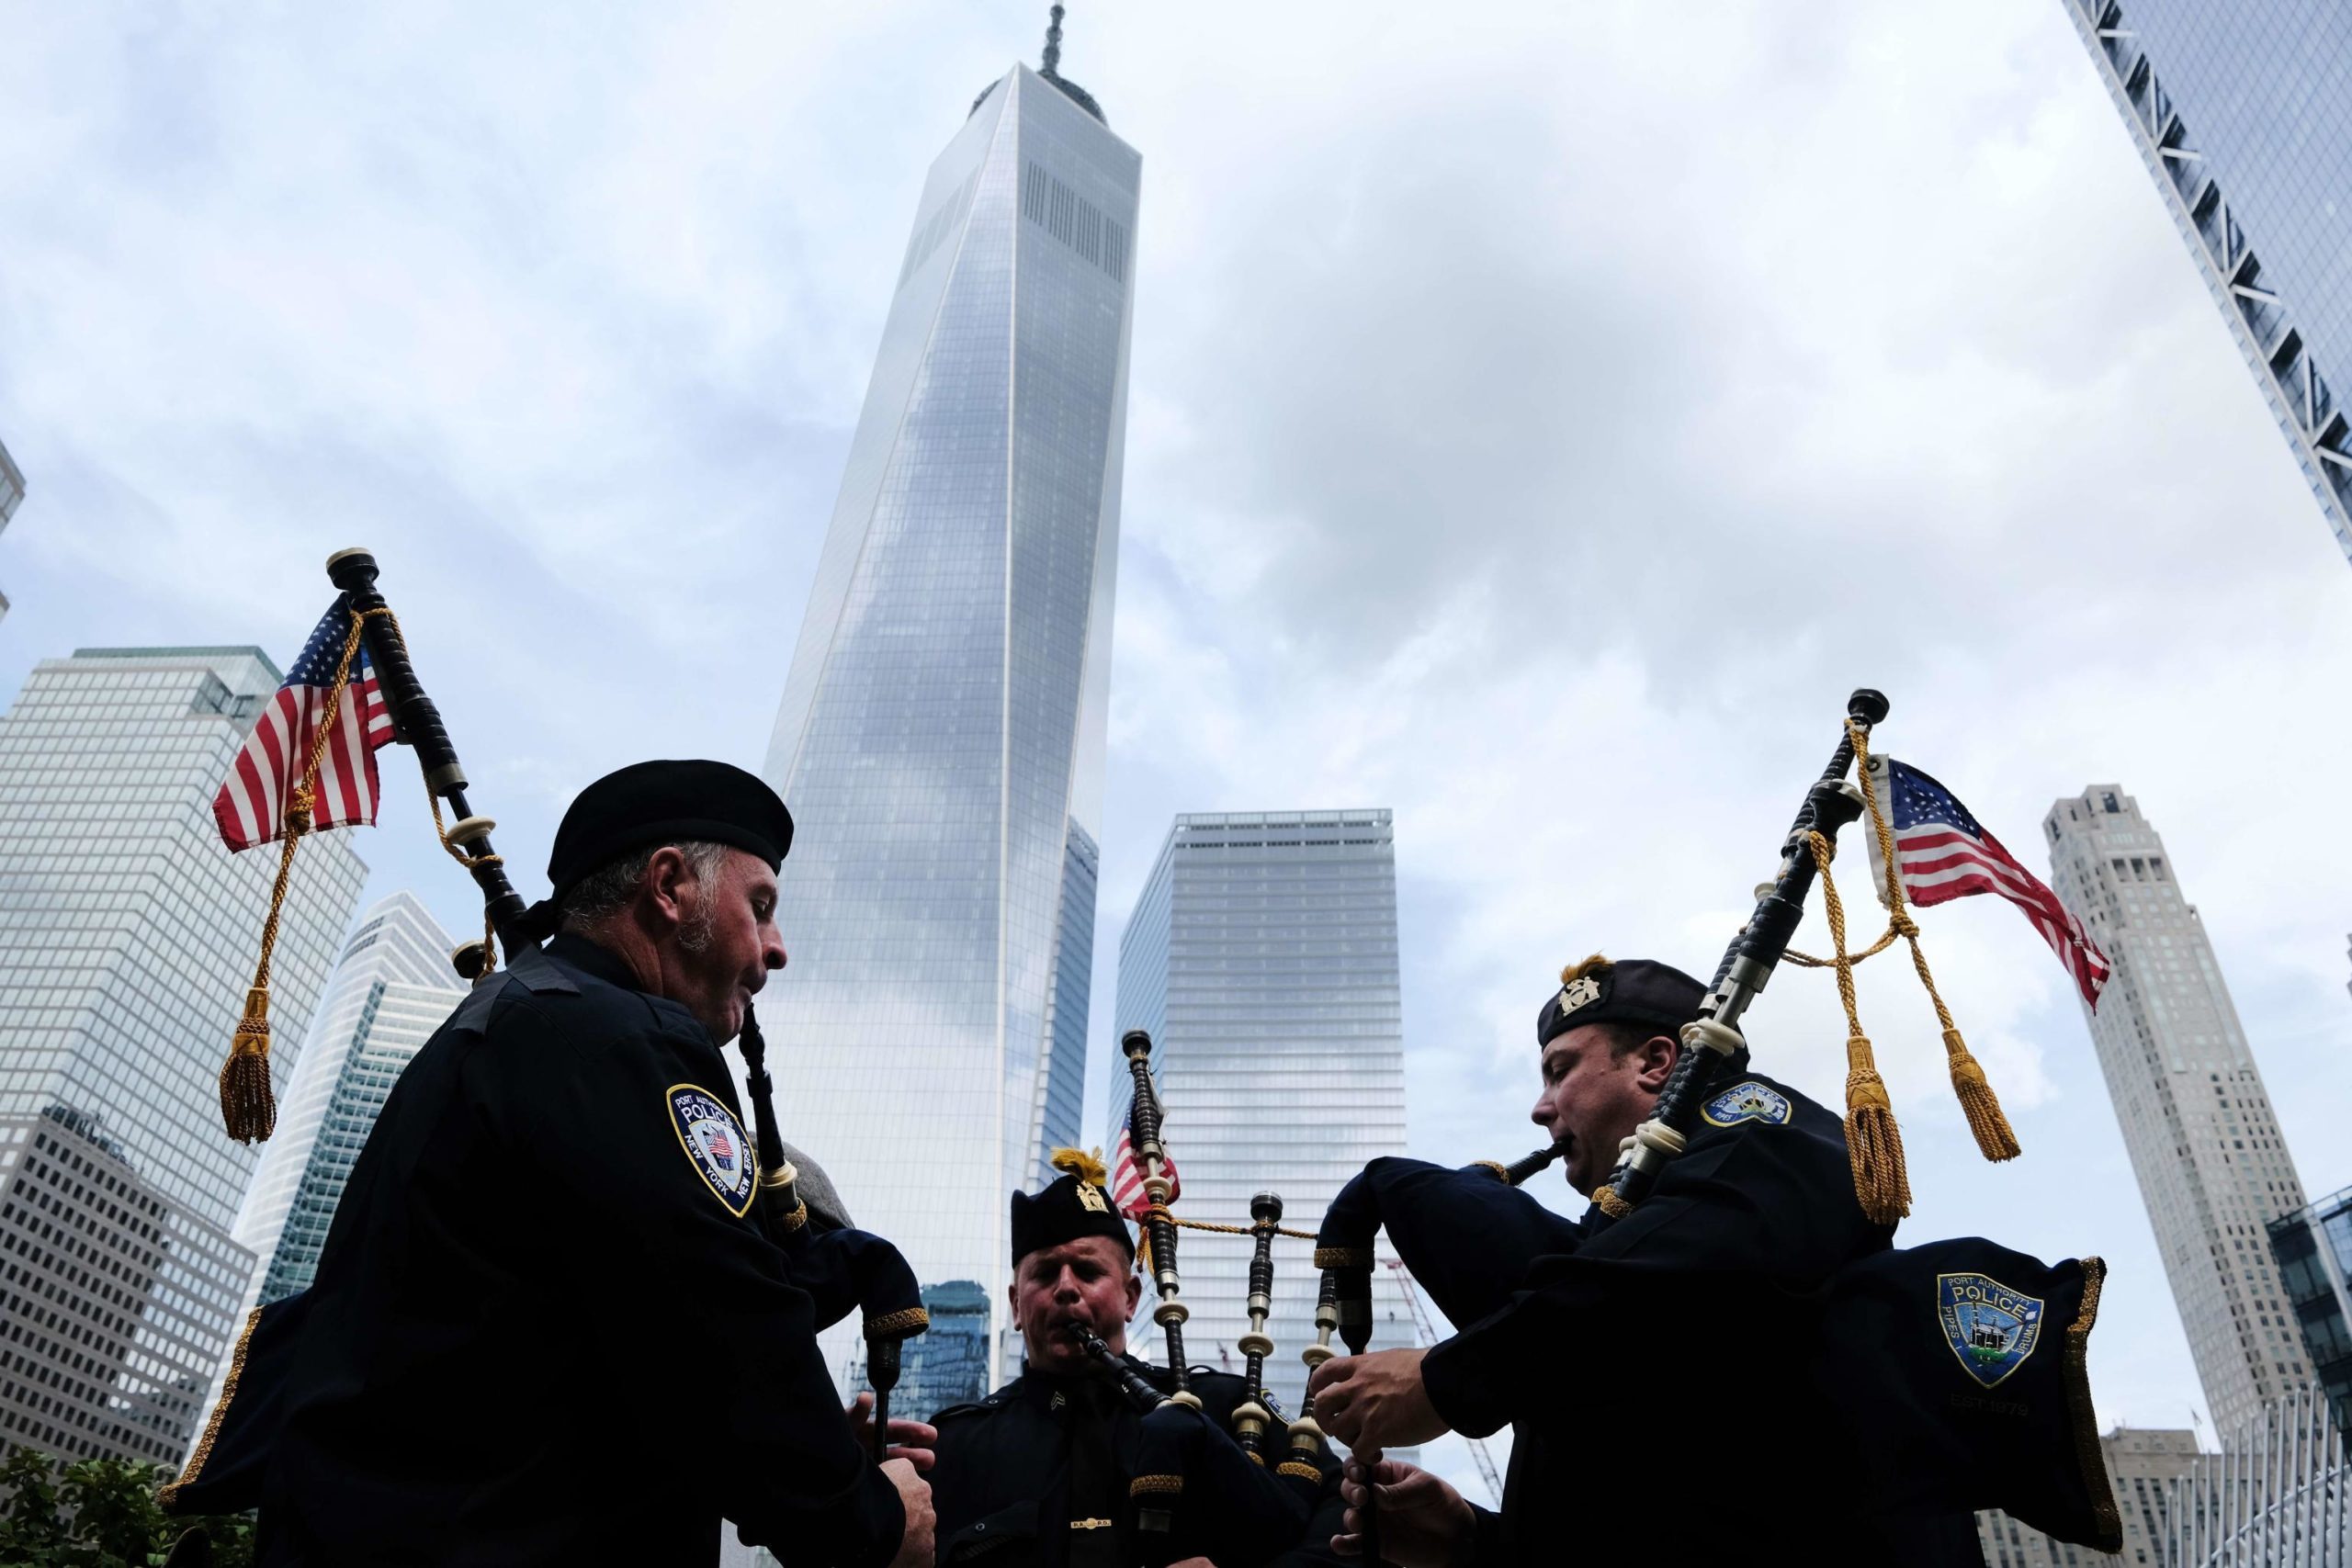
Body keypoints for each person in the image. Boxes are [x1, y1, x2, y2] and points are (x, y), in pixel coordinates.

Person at [230, 759, 935, 1567]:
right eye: (761, 906)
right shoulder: (618, 1039)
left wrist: (801, 1458)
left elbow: (604, 1362)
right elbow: (719, 1331)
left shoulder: (517, 1024)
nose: (776, 949)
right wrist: (869, 1516)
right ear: (669, 888)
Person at [1306, 954, 1905, 1567]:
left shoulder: (1763, 1132)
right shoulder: (1623, 1237)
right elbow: (1662, 1490)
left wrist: (1444, 1381)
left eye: (1560, 1070)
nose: (1541, 1109)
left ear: (1654, 1063)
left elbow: (1666, 1290)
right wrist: (1473, 1539)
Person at [928, 1152, 1344, 1568]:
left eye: (1088, 1272)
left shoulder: (1227, 1409)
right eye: (1045, 1273)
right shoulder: (949, 1448)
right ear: (1017, 1305)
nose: (1066, 1288)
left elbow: (1346, 1530)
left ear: (1130, 1298)